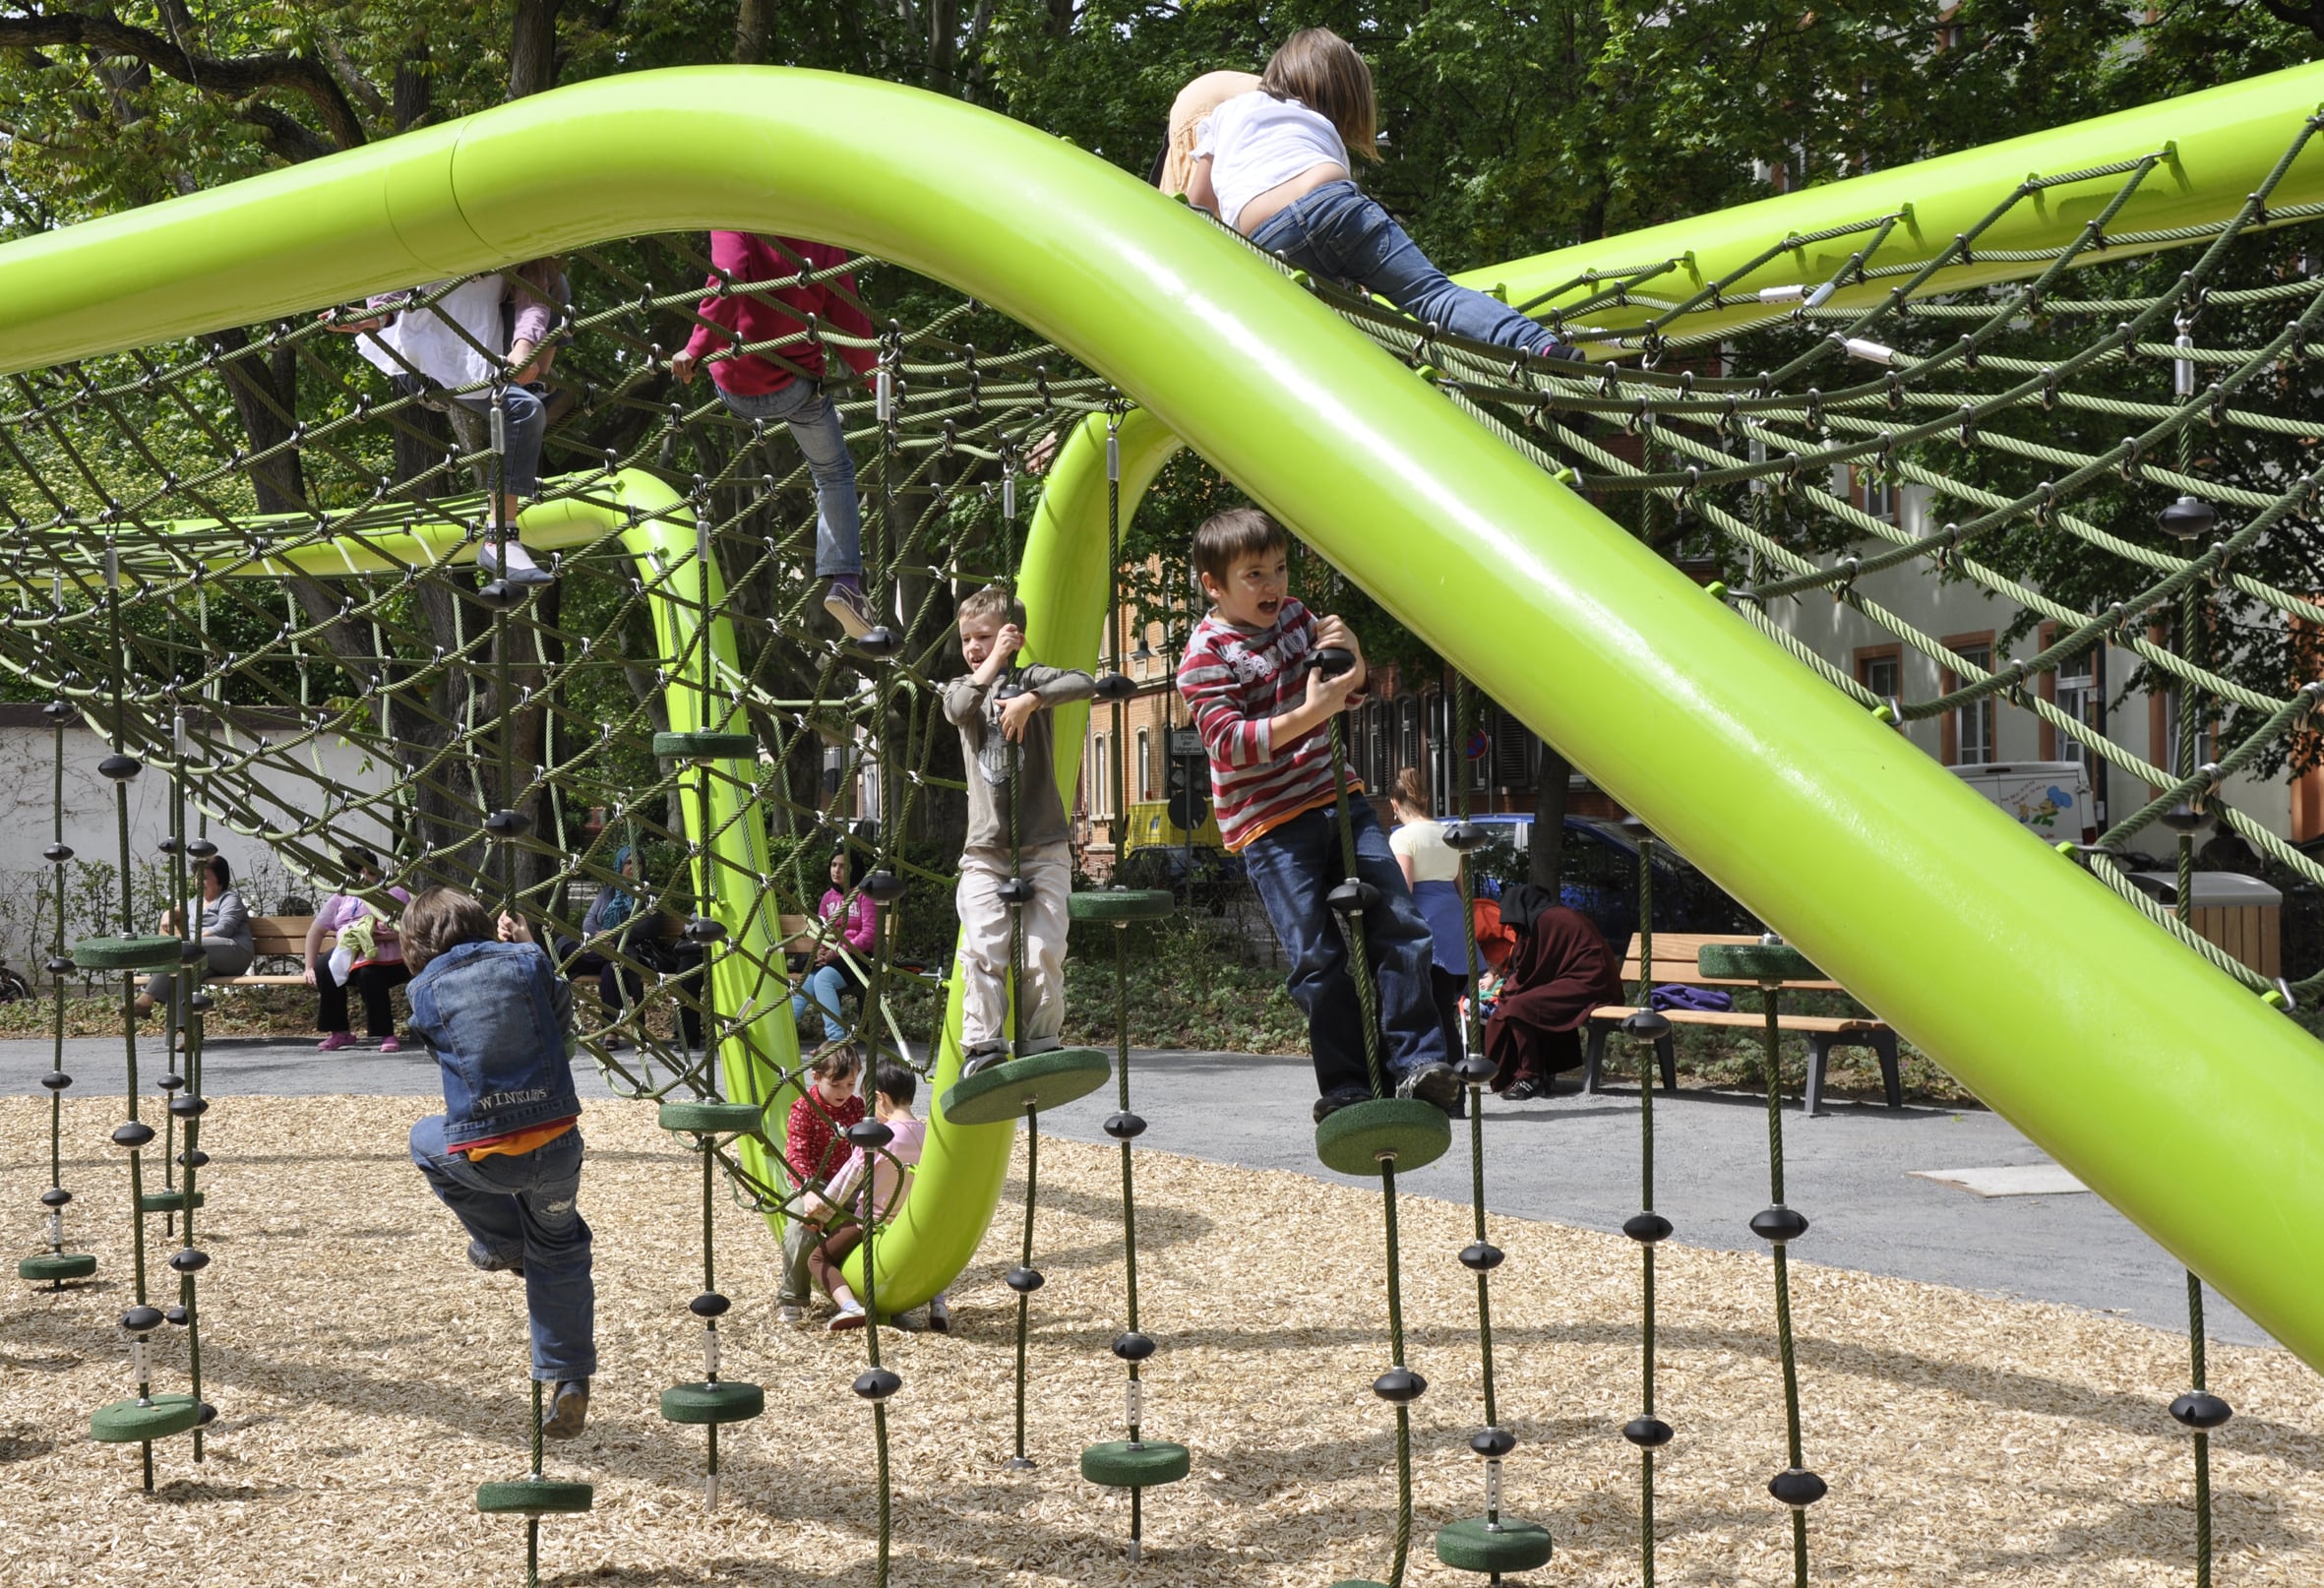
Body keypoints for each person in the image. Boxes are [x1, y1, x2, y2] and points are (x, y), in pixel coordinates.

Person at [1176, 508, 1458, 1121]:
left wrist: (1352, 655)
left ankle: (1419, 1064)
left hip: (1339, 797)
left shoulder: (1299, 618)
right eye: (1253, 575)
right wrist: (1312, 711)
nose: (1273, 586)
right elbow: (1229, 742)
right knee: (1318, 957)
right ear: (1213, 585)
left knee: (1401, 926)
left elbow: (1349, 693)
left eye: (1278, 569)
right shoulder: (1205, 655)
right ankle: (1348, 1083)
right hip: (1271, 824)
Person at [1183, 30, 1576, 361]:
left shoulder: (1226, 113)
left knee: (1324, 342)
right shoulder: (1318, 121)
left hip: (1268, 236)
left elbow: (1197, 202)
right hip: (1333, 202)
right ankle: (1539, 347)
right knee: (1431, 295)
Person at [401, 887, 593, 1438]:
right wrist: (529, 949)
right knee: (559, 1247)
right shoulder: (529, 961)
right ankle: (570, 1378)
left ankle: (506, 1245)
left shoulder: (423, 990)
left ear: (417, 945)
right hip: (557, 1145)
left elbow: (441, 1052)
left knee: (423, 1141)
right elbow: (561, 1025)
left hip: (487, 1157)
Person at [667, 233, 882, 639]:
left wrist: (696, 349)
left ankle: (846, 585)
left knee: (832, 471)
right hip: (796, 387)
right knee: (833, 473)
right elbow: (846, 312)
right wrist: (872, 376)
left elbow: (725, 282)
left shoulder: (738, 214)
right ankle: (846, 584)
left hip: (737, 384)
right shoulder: (821, 230)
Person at [324, 259, 565, 586]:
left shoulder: (521, 248)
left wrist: (524, 349)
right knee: (524, 411)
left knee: (556, 287)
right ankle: (500, 538)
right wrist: (375, 316)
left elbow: (533, 302)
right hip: (420, 357)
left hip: (477, 355)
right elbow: (397, 285)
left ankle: (531, 382)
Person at [944, 585, 1096, 1077]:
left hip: (1043, 843)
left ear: (1010, 635)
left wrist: (1030, 698)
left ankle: (1040, 1041)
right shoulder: (961, 688)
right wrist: (991, 664)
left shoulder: (1032, 678)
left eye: (983, 637)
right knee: (984, 947)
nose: (972, 648)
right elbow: (958, 706)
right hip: (987, 851)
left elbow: (1082, 681)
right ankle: (984, 1047)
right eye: (967, 639)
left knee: (1043, 951)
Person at [806, 1060, 949, 1333]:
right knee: (933, 1261)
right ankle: (938, 1302)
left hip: (875, 1221)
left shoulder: (877, 1137)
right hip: (915, 1224)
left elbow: (845, 1181)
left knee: (817, 1259)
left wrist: (819, 1214)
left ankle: (849, 1307)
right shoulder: (931, 1135)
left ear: (881, 1098)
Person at [1482, 886, 1625, 1100]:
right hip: (1594, 981)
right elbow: (1540, 969)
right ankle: (1544, 1070)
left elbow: (1529, 970)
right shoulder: (1552, 915)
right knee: (1532, 1002)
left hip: (1590, 984)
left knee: (1518, 1007)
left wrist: (1507, 993)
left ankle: (1530, 1076)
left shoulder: (1544, 921)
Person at [778, 1045, 866, 1326]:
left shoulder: (857, 1107)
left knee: (881, 1213)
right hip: (815, 1182)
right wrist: (807, 1192)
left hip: (848, 1184)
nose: (844, 1092)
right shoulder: (804, 1107)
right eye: (836, 1084)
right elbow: (796, 1155)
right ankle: (793, 1297)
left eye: (851, 1084)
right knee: (799, 1227)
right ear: (816, 1077)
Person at [1387, 767, 1469, 1064]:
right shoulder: (1451, 835)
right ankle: (1459, 1092)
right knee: (1446, 1010)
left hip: (1423, 927)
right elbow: (1461, 887)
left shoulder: (1401, 838)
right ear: (1425, 798)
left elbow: (1404, 889)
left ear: (1394, 803)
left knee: (1423, 1010)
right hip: (1453, 926)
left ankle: (1429, 1076)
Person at [304, 848, 412, 1053]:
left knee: (368, 972)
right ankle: (340, 1032)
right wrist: (309, 967)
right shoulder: (342, 896)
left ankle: (386, 1034)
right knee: (323, 966)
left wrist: (378, 935)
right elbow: (315, 931)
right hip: (352, 953)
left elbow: (410, 928)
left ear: (362, 871)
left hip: (389, 960)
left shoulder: (393, 892)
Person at [135, 854, 254, 1016]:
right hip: (205, 959)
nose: (199, 882)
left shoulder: (229, 899)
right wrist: (167, 914)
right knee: (181, 974)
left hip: (234, 954)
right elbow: (176, 910)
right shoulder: (194, 902)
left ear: (220, 879)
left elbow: (224, 928)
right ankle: (187, 1034)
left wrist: (192, 944)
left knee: (184, 951)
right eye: (197, 878)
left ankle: (145, 1000)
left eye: (205, 878)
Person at [791, 848, 875, 1050]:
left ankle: (836, 1042)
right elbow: (822, 930)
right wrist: (820, 951)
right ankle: (780, 1031)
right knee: (805, 985)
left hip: (857, 958)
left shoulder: (865, 895)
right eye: (834, 865)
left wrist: (836, 951)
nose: (836, 870)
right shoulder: (828, 898)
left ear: (854, 870)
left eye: (843, 866)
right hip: (831, 956)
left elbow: (869, 934)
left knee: (823, 979)